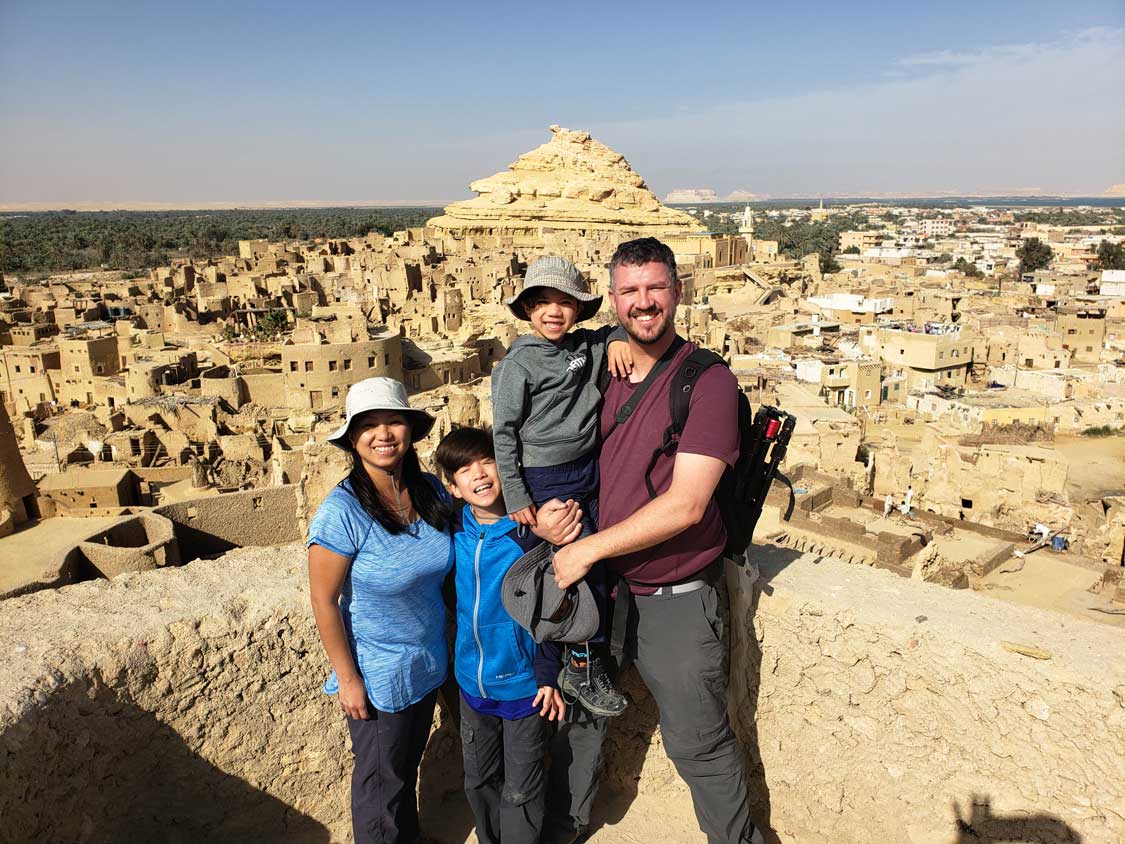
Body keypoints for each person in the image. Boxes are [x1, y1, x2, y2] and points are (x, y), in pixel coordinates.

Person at [548, 238, 763, 844]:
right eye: (629, 292)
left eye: (655, 289)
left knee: (699, 745)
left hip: (672, 595)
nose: (644, 303)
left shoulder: (708, 382)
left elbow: (688, 504)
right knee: (582, 720)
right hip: (601, 593)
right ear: (612, 301)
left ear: (678, 291)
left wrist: (588, 548)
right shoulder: (597, 364)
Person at [306, 377, 453, 844]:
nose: (383, 434)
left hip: (426, 660)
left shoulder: (430, 491)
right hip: (378, 670)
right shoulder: (342, 512)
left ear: (410, 430)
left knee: (404, 769)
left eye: (393, 421)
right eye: (368, 425)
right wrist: (348, 679)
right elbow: (323, 600)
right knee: (379, 784)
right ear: (352, 438)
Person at [491, 256, 632, 718]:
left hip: (586, 470)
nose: (554, 311)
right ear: (529, 308)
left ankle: (573, 662)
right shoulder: (519, 362)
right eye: (543, 302)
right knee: (573, 570)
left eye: (565, 302)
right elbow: (504, 433)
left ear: (578, 309)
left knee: (594, 565)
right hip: (545, 478)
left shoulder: (584, 345)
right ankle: (578, 668)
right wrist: (516, 495)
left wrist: (614, 340)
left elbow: (612, 332)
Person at [434, 426, 572, 844]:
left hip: (525, 687)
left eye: (487, 461)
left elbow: (553, 608)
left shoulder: (528, 536)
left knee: (522, 788)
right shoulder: (451, 530)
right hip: (472, 684)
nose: (479, 474)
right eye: (464, 469)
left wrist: (548, 674)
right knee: (478, 778)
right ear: (453, 487)